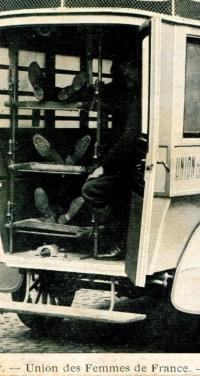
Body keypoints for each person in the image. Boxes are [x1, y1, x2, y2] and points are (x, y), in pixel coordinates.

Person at [82, 58, 141, 259]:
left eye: (127, 75)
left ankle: (119, 237)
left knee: (91, 190)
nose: (125, 80)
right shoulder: (128, 94)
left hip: (132, 166)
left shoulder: (138, 100)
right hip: (126, 163)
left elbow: (128, 140)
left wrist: (104, 167)